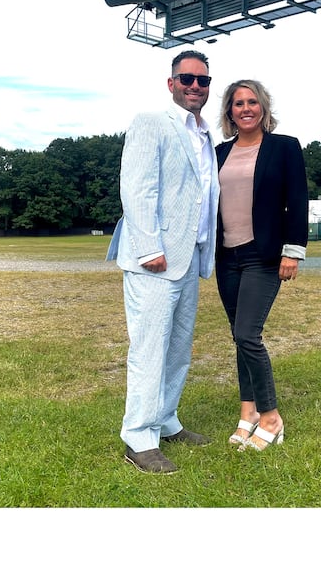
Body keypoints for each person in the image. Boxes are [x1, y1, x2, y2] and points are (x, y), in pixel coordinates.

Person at [107, 50, 220, 474]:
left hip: (190, 256)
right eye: (187, 78)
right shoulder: (151, 123)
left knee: (178, 348)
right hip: (153, 259)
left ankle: (167, 420)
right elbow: (137, 188)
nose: (195, 86)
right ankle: (138, 438)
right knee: (150, 349)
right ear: (171, 83)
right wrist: (149, 246)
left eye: (203, 81)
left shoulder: (206, 135)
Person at [215, 79, 308, 451]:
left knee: (248, 335)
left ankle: (270, 416)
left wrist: (293, 250)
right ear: (229, 112)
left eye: (252, 102)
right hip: (227, 256)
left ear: (263, 107)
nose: (246, 108)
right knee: (239, 337)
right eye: (238, 103)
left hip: (264, 254)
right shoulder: (219, 152)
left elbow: (297, 200)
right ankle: (248, 412)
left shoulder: (284, 148)